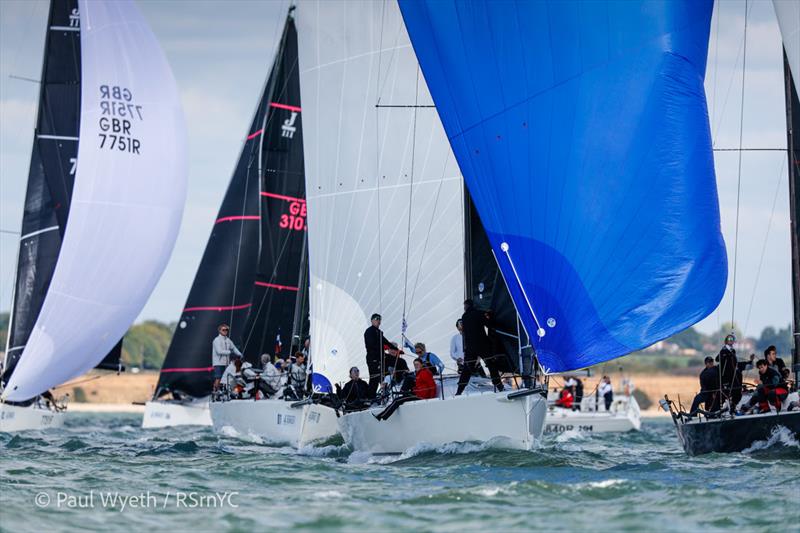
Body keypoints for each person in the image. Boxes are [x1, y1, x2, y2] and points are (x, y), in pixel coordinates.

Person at [456, 299, 504, 395]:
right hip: (483, 345)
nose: (464, 308)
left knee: (467, 368)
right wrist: (489, 316)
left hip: (470, 348)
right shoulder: (478, 313)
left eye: (464, 306)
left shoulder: (464, 317)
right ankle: (500, 387)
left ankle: (459, 391)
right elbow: (489, 324)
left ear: (467, 306)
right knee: (491, 365)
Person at [715, 334, 754, 412]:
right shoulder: (723, 350)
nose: (731, 340)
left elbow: (735, 363)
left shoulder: (733, 351)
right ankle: (721, 410)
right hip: (727, 378)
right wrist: (725, 355)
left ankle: (733, 407)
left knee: (738, 394)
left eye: (732, 339)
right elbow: (717, 359)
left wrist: (750, 361)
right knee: (727, 394)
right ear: (726, 340)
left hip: (734, 377)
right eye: (729, 338)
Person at [364, 313, 391, 398]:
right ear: (372, 320)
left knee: (384, 377)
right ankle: (370, 398)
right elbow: (370, 344)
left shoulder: (379, 332)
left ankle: (385, 396)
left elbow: (386, 341)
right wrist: (382, 347)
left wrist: (395, 349)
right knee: (374, 378)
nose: (378, 321)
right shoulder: (369, 331)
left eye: (379, 319)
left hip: (380, 359)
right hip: (373, 358)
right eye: (376, 319)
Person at [212, 324, 242, 392]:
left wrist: (240, 354)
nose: (225, 331)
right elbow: (219, 351)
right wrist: (229, 352)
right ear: (219, 331)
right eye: (223, 330)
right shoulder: (216, 340)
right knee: (218, 378)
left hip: (227, 363)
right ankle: (215, 392)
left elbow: (234, 348)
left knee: (227, 378)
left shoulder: (228, 340)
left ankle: (225, 392)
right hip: (218, 363)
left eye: (226, 330)